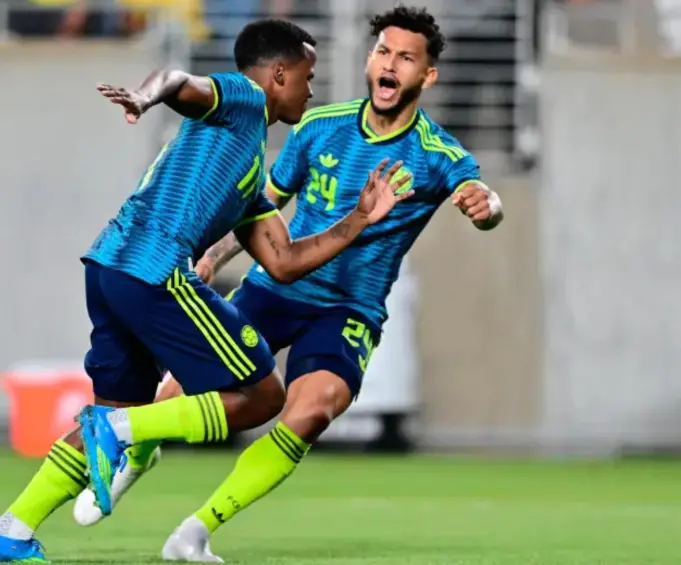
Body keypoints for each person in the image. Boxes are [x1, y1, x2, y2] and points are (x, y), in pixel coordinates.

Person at [73, 5, 504, 562]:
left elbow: (484, 198)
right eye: (383, 52)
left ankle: (196, 530)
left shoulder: (438, 154)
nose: (389, 64)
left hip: (348, 310)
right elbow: (263, 204)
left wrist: (485, 205)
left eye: (405, 57)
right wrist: (213, 253)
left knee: (310, 411)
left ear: (427, 75)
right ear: (371, 62)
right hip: (274, 289)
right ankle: (137, 450)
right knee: (179, 387)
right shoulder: (319, 125)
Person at [0, 18, 412, 564]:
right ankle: (119, 429)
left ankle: (14, 528)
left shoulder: (245, 163)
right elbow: (176, 79)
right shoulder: (242, 99)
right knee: (263, 395)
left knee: (119, 408)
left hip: (107, 268)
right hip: (153, 270)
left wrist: (358, 221)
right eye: (308, 77)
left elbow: (285, 262)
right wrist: (146, 97)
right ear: (279, 73)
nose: (311, 91)